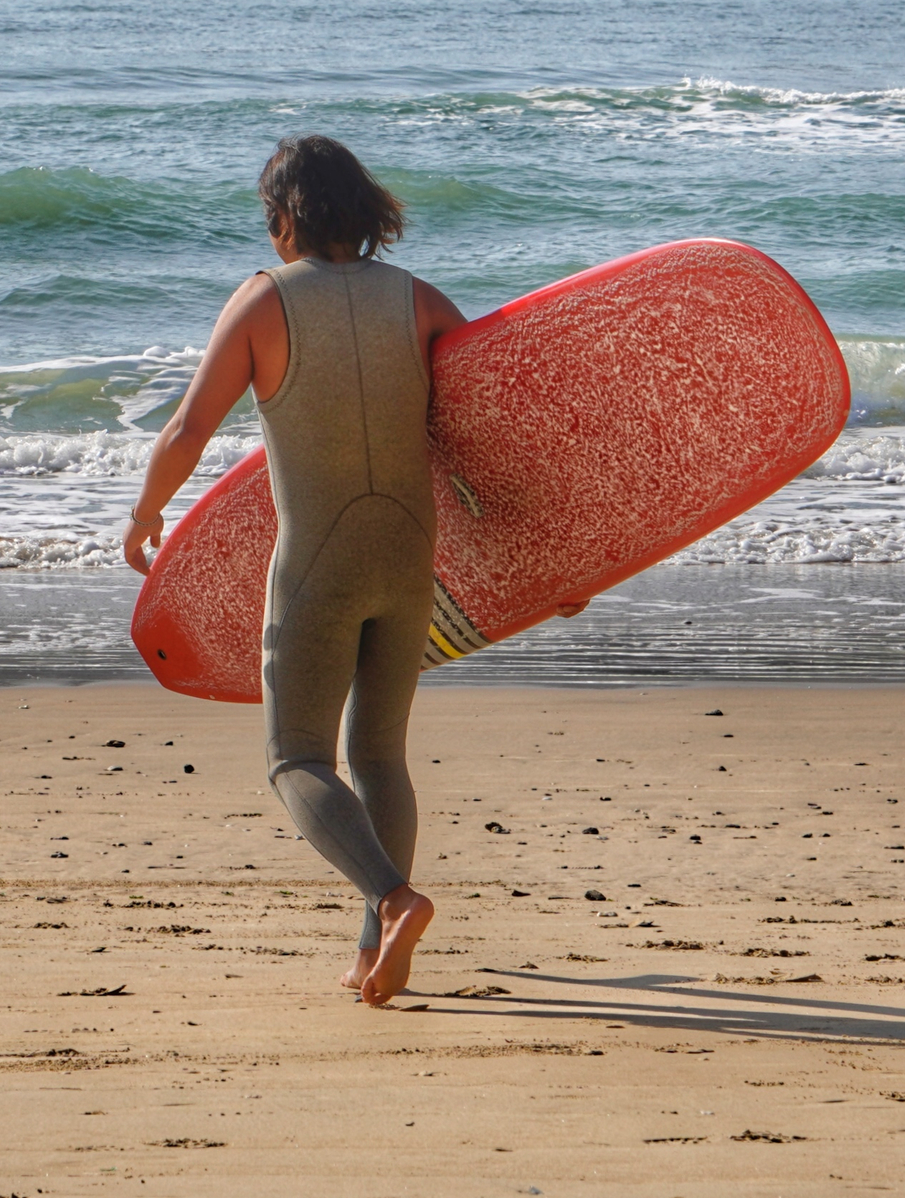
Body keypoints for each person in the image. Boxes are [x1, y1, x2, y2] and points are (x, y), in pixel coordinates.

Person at [124, 134, 577, 1007]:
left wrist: (148, 514)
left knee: (295, 755)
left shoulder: (263, 304)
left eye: (270, 218)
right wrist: (555, 557)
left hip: (317, 567)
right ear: (363, 212)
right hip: (409, 560)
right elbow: (494, 437)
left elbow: (188, 429)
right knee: (379, 753)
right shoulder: (419, 301)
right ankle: (374, 951)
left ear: (286, 218)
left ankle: (393, 898)